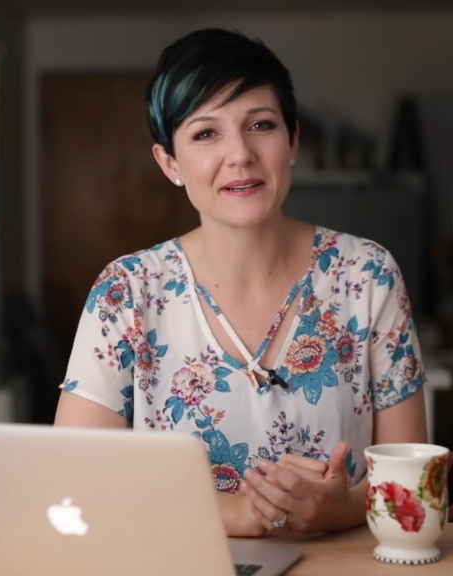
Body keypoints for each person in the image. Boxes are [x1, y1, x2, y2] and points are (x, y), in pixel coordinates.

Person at [53, 27, 428, 538]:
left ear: (293, 141)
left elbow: (415, 490)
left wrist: (339, 509)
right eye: (206, 133)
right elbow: (74, 488)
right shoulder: (127, 293)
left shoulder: (368, 275)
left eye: (261, 125)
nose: (240, 154)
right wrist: (242, 514)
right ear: (169, 163)